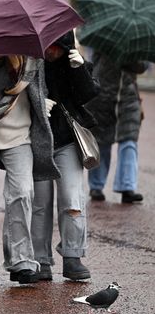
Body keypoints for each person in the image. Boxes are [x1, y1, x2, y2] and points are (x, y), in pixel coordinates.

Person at [0, 54, 59, 286]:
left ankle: (21, 261)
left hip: (21, 134)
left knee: (22, 193)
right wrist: (5, 73)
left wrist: (41, 102)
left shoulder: (33, 56)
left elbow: (40, 89)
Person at [31, 33, 100, 282]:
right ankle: (40, 260)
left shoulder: (72, 61)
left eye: (56, 47)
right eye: (47, 46)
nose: (51, 51)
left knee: (72, 199)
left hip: (67, 140)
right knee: (40, 204)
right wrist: (38, 102)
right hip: (37, 139)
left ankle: (73, 256)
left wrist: (79, 68)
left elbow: (89, 94)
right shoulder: (29, 62)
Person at [85, 52, 148, 203]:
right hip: (102, 98)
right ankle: (96, 186)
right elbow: (94, 61)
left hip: (128, 100)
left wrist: (130, 55)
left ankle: (127, 187)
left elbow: (142, 67)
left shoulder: (135, 45)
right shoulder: (102, 38)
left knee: (129, 141)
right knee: (102, 142)